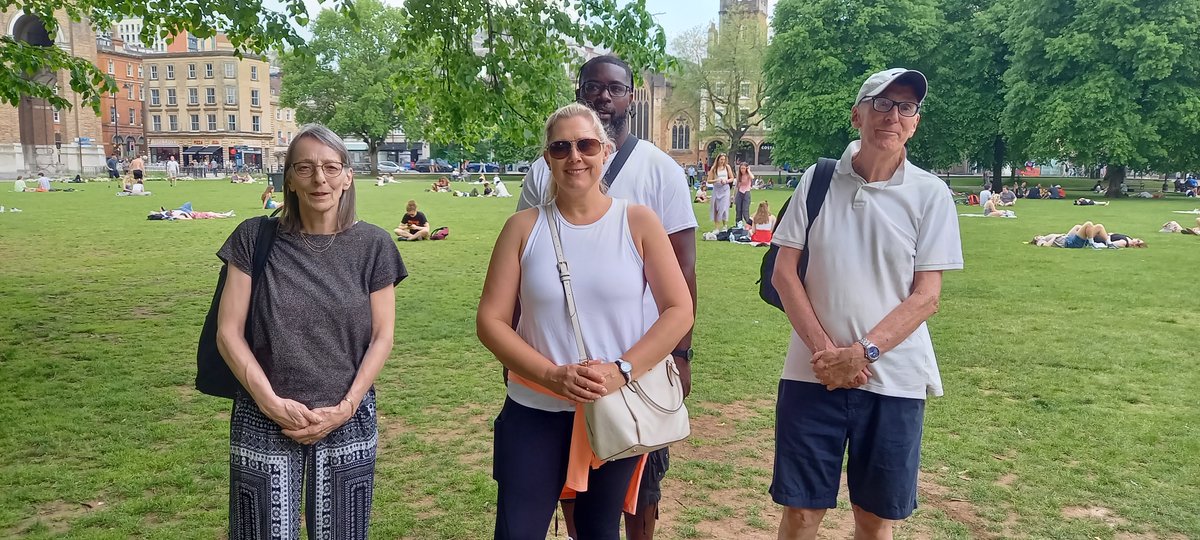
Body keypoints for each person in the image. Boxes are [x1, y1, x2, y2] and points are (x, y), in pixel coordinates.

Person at [478, 102, 693, 540]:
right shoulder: (522, 228)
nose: (574, 156)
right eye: (561, 147)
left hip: (615, 407)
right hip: (535, 408)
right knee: (517, 530)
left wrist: (622, 370)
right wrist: (551, 375)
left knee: (599, 529)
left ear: (605, 151)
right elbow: (491, 320)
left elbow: (678, 309)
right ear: (547, 158)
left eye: (586, 145)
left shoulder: (638, 222)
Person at [769, 68, 963, 540]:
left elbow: (927, 296)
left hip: (893, 381)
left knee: (875, 518)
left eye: (905, 107)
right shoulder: (818, 180)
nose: (892, 115)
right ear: (857, 115)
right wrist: (827, 355)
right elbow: (784, 273)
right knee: (801, 513)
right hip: (811, 375)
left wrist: (860, 353)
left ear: (915, 122)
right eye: (881, 103)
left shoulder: (930, 194)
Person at [214, 123, 406, 540]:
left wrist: (347, 407)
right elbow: (228, 332)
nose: (320, 178)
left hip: (346, 415)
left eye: (331, 167)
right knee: (260, 532)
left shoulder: (374, 246)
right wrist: (269, 402)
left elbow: (382, 337)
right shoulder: (253, 238)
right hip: (263, 414)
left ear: (347, 176)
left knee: (343, 532)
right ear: (289, 179)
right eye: (305, 168)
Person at [707, 154, 734, 232]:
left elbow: (732, 178)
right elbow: (709, 180)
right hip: (717, 189)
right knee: (716, 208)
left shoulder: (727, 167)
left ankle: (725, 225)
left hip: (725, 189)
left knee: (724, 207)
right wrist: (716, 180)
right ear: (718, 159)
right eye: (721, 159)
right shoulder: (714, 168)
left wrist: (726, 181)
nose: (722, 161)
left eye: (724, 159)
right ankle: (717, 227)